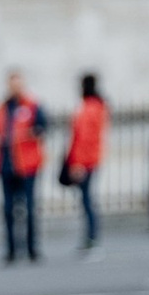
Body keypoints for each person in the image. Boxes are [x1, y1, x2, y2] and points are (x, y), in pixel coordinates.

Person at [0, 71, 46, 265]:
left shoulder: (33, 106)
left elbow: (43, 127)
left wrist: (30, 133)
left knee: (29, 208)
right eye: (12, 84)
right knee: (8, 210)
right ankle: (11, 250)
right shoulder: (0, 108)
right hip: (6, 165)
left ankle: (31, 248)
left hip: (27, 165)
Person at [61, 73, 107, 252]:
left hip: (85, 161)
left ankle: (91, 237)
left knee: (87, 201)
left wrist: (77, 163)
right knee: (87, 199)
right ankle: (91, 236)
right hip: (90, 159)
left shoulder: (89, 108)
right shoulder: (97, 106)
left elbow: (84, 138)